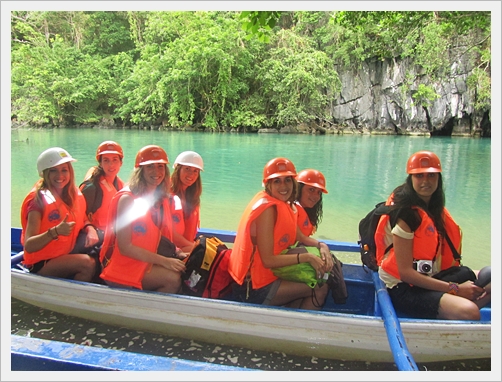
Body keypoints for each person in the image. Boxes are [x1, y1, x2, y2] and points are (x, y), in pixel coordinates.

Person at [375, 150, 491, 320]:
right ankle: (453, 310)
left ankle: (450, 307)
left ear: (438, 178)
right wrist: (455, 289)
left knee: (492, 278)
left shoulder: (433, 210)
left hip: (428, 277)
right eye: (419, 176)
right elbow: (406, 273)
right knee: (470, 312)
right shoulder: (407, 216)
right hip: (403, 288)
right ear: (411, 179)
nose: (425, 182)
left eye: (431, 176)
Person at [228, 157, 334, 310]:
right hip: (251, 287)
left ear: (294, 183)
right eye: (277, 181)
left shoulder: (286, 205)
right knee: (320, 288)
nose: (283, 186)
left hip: (266, 277)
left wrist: (322, 245)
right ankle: (297, 329)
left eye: (287, 180)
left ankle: (290, 322)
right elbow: (268, 260)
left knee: (313, 279)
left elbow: (301, 237)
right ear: (268, 184)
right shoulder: (267, 210)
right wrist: (308, 257)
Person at [99, 145, 185, 293]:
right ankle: (151, 314)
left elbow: (156, 236)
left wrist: (177, 252)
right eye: (150, 166)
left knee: (186, 269)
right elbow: (125, 247)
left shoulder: (160, 199)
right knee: (173, 279)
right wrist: (165, 262)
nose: (157, 172)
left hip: (145, 261)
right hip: (121, 267)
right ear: (140, 170)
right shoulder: (127, 199)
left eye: (160, 166)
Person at [20, 147, 99, 281]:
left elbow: (82, 217)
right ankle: (74, 298)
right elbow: (29, 244)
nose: (60, 176)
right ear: (45, 173)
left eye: (64, 170)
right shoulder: (37, 201)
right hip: (42, 262)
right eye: (53, 171)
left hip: (64, 253)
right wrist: (55, 231)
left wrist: (90, 228)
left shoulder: (71, 193)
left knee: (100, 252)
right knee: (88, 264)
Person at [80, 141, 125, 234]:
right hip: (94, 237)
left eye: (115, 160)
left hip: (111, 233)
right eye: (106, 160)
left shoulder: (119, 184)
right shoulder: (91, 188)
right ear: (100, 163)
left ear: (121, 163)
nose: (111, 165)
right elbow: (78, 215)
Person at [169, 151, 204, 252]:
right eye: (187, 169)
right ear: (178, 169)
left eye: (195, 171)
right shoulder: (168, 195)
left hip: (187, 247)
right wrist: (195, 247)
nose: (191, 174)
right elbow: (171, 233)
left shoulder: (192, 195)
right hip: (173, 250)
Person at [295, 169, 328, 237]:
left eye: (319, 192)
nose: (316, 196)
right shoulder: (290, 210)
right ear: (298, 188)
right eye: (311, 190)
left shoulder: (306, 211)